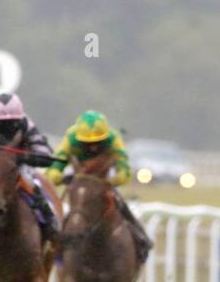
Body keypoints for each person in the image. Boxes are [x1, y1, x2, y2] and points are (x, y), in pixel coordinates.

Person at [46, 109, 151, 260]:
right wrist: (65, 178)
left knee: (123, 208)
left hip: (103, 184)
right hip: (79, 182)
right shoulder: (71, 138)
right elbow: (51, 174)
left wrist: (107, 182)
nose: (93, 147)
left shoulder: (114, 138)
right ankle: (55, 253)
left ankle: (141, 241)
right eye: (87, 144)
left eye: (97, 143)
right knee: (71, 215)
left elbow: (125, 174)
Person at [0, 92, 59, 242]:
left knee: (31, 184)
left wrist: (23, 157)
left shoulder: (27, 125)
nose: (5, 126)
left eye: (11, 122)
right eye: (0, 123)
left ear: (19, 118)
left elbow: (45, 153)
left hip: (18, 166)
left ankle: (50, 223)